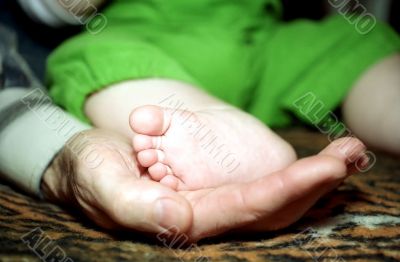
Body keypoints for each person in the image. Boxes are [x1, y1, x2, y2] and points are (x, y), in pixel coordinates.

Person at [0, 0, 398, 243]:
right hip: (151, 34)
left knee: (354, 44)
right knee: (103, 57)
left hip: (261, 37)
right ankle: (200, 121)